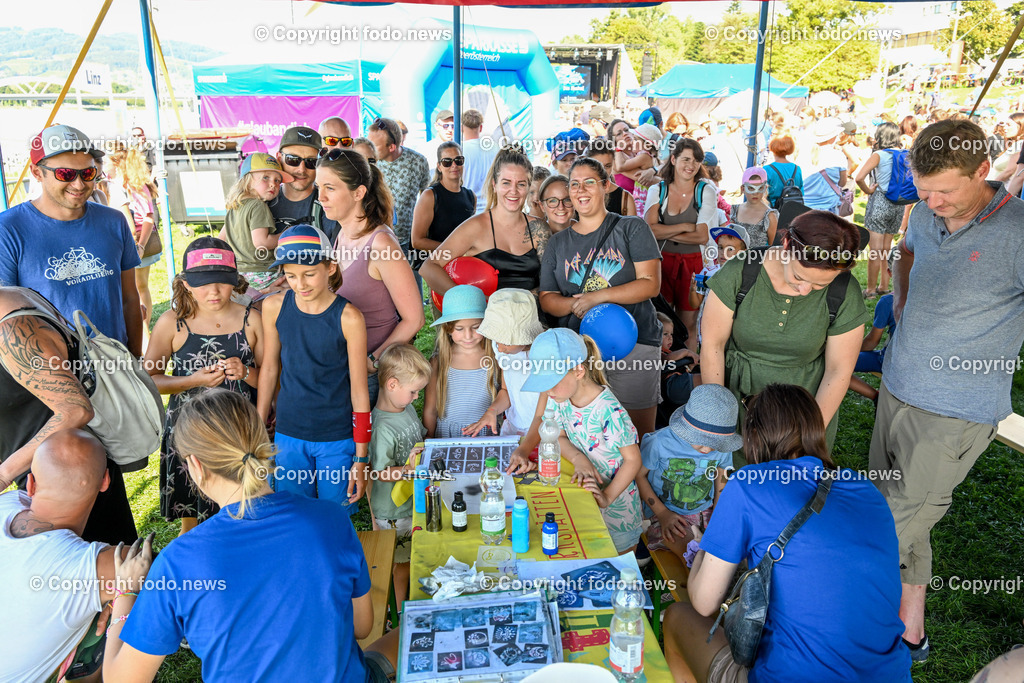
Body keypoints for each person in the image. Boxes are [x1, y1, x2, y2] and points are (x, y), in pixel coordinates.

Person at [101, 390, 399, 683]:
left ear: (195, 466)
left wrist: (126, 592)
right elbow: (362, 626)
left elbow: (120, 680)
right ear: (262, 442)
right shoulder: (331, 518)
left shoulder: (177, 562)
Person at [869, 119, 1024, 663]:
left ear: (985, 171)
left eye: (945, 191)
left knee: (879, 529)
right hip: (897, 387)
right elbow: (906, 252)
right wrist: (902, 303)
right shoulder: (924, 213)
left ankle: (844, 632)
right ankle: (911, 633)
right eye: (924, 189)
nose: (932, 202)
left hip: (955, 412)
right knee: (899, 514)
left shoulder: (1019, 231)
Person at [664, 384, 912, 683]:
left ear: (754, 437)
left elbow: (705, 603)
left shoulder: (748, 483)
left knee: (679, 618)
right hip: (890, 675)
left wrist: (702, 546)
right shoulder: (868, 491)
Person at [700, 210, 869, 456]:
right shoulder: (741, 272)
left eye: (820, 285)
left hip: (806, 411)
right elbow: (713, 345)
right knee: (736, 482)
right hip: (737, 403)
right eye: (799, 277)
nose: (805, 291)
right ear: (787, 244)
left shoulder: (845, 291)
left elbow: (838, 370)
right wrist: (717, 417)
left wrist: (811, 435)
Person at [0, 287, 137, 545]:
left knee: (105, 577)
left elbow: (74, 410)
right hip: (45, 479)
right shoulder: (17, 296)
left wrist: (4, 474)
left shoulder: (13, 328)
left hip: (67, 485)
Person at [539, 157, 664, 437]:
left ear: (606, 186)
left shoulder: (631, 228)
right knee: (589, 434)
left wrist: (596, 298)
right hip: (581, 355)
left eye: (589, 183)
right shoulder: (558, 243)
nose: (580, 191)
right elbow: (547, 297)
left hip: (635, 347)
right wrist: (576, 304)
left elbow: (650, 284)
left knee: (637, 434)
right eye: (574, 184)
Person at [145, 238, 261, 535]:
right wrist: (193, 380)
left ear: (235, 281)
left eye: (222, 283)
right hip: (189, 432)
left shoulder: (252, 320)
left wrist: (245, 372)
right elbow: (150, 380)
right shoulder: (173, 323)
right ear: (184, 283)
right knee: (193, 515)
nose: (214, 292)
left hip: (238, 432)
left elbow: (271, 378)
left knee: (243, 512)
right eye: (203, 283)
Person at [0, 124, 142, 354]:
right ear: (37, 173)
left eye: (87, 173)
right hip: (51, 373)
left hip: (116, 367)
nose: (78, 184)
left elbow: (129, 298)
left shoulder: (114, 221)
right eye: (65, 174)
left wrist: (137, 360)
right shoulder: (8, 229)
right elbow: (6, 320)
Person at [257, 225, 370, 511]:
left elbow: (359, 391)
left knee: (336, 516)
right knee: (295, 514)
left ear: (331, 267)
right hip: (289, 432)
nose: (300, 284)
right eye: (291, 275)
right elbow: (270, 368)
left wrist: (361, 457)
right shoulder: (273, 307)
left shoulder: (349, 317)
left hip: (337, 435)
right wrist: (258, 428)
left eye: (309, 274)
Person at [1, 430, 125, 683]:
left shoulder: (8, 502)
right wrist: (121, 599)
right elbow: (177, 574)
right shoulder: (96, 567)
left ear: (31, 483)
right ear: (105, 482)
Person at [519, 328, 643, 554]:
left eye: (552, 382)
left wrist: (606, 497)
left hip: (618, 512)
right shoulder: (561, 397)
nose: (547, 391)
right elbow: (560, 435)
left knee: (617, 575)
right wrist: (578, 459)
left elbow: (633, 461)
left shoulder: (609, 411)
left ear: (578, 370)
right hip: (588, 502)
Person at [317, 147, 425, 407]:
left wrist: (374, 361)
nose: (320, 197)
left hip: (371, 375)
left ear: (359, 192)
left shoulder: (381, 244)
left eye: (330, 188)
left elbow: (414, 318)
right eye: (318, 187)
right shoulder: (340, 234)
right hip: (339, 368)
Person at [636, 385, 741, 563]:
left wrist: (718, 512)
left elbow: (722, 476)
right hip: (668, 515)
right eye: (701, 442)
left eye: (714, 444)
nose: (707, 449)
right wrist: (662, 514)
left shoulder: (722, 446)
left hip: (706, 512)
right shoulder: (659, 443)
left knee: (735, 543)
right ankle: (704, 580)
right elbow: (639, 476)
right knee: (690, 552)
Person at [421, 145, 541, 295]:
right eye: (506, 183)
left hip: (531, 314)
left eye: (521, 184)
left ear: (528, 187)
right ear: (494, 184)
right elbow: (429, 267)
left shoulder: (539, 229)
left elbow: (551, 284)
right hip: (485, 316)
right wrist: (468, 302)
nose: (514, 191)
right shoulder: (476, 227)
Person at [367, 343, 430, 606]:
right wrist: (407, 470)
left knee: (417, 554)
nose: (417, 397)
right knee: (402, 563)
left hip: (411, 500)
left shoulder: (406, 409)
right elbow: (379, 472)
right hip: (393, 511)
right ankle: (402, 609)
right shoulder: (381, 427)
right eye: (414, 391)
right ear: (392, 385)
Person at [645, 138, 718, 345]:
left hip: (694, 264)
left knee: (689, 325)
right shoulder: (658, 190)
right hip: (661, 263)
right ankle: (665, 370)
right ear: (674, 159)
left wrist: (665, 231)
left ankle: (687, 368)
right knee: (661, 323)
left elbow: (702, 236)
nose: (691, 165)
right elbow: (649, 231)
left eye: (696, 160)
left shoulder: (705, 191)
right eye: (686, 159)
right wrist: (685, 226)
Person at [423, 285, 499, 438]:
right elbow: (430, 410)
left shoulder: (496, 357)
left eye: (476, 327)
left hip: (485, 435)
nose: (468, 335)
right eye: (459, 329)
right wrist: (429, 440)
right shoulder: (439, 362)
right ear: (448, 329)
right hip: (447, 435)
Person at [467, 288, 544, 437]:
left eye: (506, 342)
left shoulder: (544, 356)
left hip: (542, 431)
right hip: (515, 427)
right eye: (496, 340)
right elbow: (506, 390)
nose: (500, 348)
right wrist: (492, 411)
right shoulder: (505, 351)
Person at [218, 152, 292, 296]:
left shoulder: (234, 207)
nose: (273, 184)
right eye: (266, 177)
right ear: (247, 180)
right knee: (296, 289)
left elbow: (221, 240)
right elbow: (261, 242)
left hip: (239, 274)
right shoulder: (258, 206)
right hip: (262, 272)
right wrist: (285, 235)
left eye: (278, 181)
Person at [106, 144, 161, 338]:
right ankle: (143, 330)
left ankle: (143, 332)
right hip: (134, 243)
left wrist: (139, 246)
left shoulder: (132, 186)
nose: (105, 166)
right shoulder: (130, 185)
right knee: (139, 286)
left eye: (108, 162)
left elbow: (146, 218)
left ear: (119, 165)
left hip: (134, 243)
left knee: (137, 288)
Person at [368, 117, 431, 272]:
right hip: (376, 240)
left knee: (412, 287)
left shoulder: (418, 161)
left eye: (374, 146)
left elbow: (427, 196)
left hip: (409, 242)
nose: (370, 149)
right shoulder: (368, 164)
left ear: (391, 147)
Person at [855, 122, 905, 298]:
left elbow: (859, 177)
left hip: (880, 202)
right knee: (886, 248)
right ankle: (884, 286)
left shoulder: (879, 155)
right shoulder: (905, 154)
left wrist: (868, 190)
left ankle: (869, 289)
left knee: (875, 250)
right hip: (899, 205)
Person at [411, 142, 476, 261]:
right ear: (439, 166)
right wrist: (453, 250)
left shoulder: (470, 196)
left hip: (462, 264)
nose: (454, 165)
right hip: (434, 264)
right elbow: (417, 241)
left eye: (458, 160)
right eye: (447, 162)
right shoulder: (430, 195)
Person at [271, 126, 339, 241]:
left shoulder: (329, 207)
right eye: (293, 159)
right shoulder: (261, 202)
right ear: (279, 158)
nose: (301, 169)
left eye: (311, 162)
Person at [799, 118, 849, 213]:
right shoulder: (838, 156)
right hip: (829, 206)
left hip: (806, 205)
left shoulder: (804, 153)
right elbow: (842, 183)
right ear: (832, 137)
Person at [584, 139, 637, 216]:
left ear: (613, 164)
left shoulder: (625, 198)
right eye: (597, 166)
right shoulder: (576, 193)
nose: (603, 171)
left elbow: (632, 227)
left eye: (607, 166)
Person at [729, 166, 778, 248]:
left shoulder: (770, 215)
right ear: (743, 189)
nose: (755, 193)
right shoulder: (735, 210)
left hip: (757, 259)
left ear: (765, 188)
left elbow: (773, 247)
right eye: (751, 188)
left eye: (760, 188)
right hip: (736, 259)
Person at [460, 109, 497, 213]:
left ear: (461, 127)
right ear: (480, 127)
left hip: (467, 209)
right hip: (491, 208)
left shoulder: (459, 151)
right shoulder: (495, 148)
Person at [532, 174, 573, 256]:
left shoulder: (587, 234)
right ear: (542, 206)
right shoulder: (534, 239)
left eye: (567, 200)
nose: (561, 207)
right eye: (553, 201)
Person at [764, 134, 804, 208]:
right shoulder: (797, 168)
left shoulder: (767, 169)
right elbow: (801, 191)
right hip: (794, 210)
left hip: (773, 210)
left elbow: (763, 195)